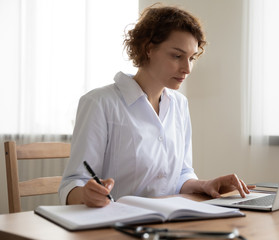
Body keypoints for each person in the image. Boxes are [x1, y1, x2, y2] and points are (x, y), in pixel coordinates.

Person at [59, 4, 254, 207]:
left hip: (168, 222)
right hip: (118, 226)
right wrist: (85, 194)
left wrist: (205, 185)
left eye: (192, 58)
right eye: (177, 56)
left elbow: (181, 175)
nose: (187, 68)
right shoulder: (99, 103)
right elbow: (73, 183)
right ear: (149, 49)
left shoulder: (179, 105)